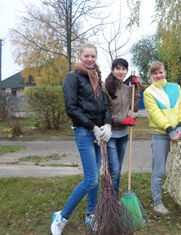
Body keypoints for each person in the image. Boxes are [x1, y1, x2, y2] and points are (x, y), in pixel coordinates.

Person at [51, 43, 112, 235]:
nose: (90, 59)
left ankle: (91, 215)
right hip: (84, 132)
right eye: (86, 56)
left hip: (98, 133)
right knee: (91, 179)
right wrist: (93, 127)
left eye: (93, 56)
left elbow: (105, 105)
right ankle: (61, 216)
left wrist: (107, 125)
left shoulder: (96, 77)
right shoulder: (72, 77)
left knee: (93, 177)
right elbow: (71, 108)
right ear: (79, 56)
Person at [143, 61, 181, 215]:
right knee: (159, 170)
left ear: (165, 72)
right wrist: (170, 130)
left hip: (179, 133)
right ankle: (157, 202)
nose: (158, 75)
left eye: (160, 72)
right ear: (151, 75)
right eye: (155, 73)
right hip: (161, 135)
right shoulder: (149, 92)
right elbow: (155, 114)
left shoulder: (175, 87)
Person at [104, 58, 140, 194]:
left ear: (126, 71)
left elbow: (135, 108)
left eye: (123, 69)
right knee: (115, 169)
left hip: (124, 135)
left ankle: (113, 196)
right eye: (118, 68)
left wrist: (136, 90)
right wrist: (123, 120)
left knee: (117, 169)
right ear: (112, 70)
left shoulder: (127, 89)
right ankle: (111, 199)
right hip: (110, 134)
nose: (121, 71)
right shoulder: (106, 87)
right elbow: (106, 113)